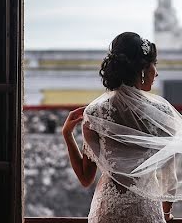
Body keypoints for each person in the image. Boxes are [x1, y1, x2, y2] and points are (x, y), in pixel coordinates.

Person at [62, 32, 175, 222]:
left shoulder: (96, 112)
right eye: (154, 65)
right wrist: (166, 214)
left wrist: (67, 134)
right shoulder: (161, 112)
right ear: (142, 69)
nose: (156, 73)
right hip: (146, 209)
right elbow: (169, 178)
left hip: (107, 209)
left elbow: (85, 178)